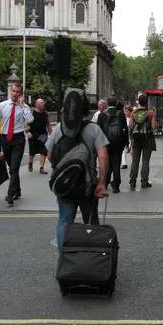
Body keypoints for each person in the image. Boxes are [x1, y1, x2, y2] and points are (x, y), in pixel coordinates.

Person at [45, 89, 109, 248]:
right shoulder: (94, 129)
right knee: (91, 222)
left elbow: (50, 156)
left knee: (64, 221)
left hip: (64, 186)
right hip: (87, 186)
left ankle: (65, 260)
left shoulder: (59, 129)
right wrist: (101, 182)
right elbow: (103, 157)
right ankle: (94, 258)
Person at [0, 83, 34, 206]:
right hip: (5, 139)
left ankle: (10, 195)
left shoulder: (24, 107)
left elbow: (30, 120)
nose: (15, 94)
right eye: (13, 91)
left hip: (18, 139)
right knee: (12, 168)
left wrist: (23, 106)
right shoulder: (2, 105)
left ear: (21, 94)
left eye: (17, 92)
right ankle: (18, 190)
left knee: (14, 168)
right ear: (10, 91)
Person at [97, 97, 129, 193]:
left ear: (107, 103)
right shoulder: (121, 114)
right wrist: (126, 143)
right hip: (118, 143)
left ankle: (105, 182)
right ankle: (116, 185)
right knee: (116, 162)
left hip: (106, 143)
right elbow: (125, 129)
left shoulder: (102, 115)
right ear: (115, 104)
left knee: (107, 164)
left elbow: (98, 130)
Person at [128, 94, 156, 190]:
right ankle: (144, 181)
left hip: (136, 140)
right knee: (145, 162)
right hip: (147, 139)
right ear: (146, 102)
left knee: (135, 162)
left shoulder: (133, 113)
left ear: (139, 102)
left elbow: (131, 126)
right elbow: (153, 127)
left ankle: (132, 182)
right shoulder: (150, 113)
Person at [26, 98, 52, 174]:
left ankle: (41, 167)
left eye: (43, 102)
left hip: (43, 135)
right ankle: (30, 162)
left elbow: (48, 125)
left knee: (43, 151)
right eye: (41, 103)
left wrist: (52, 135)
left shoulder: (45, 114)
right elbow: (26, 124)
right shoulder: (31, 112)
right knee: (32, 152)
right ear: (36, 104)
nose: (43, 104)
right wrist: (27, 132)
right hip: (33, 135)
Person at [121, 105, 133, 170]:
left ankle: (134, 161)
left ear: (130, 111)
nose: (125, 112)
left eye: (127, 111)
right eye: (124, 111)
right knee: (123, 150)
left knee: (131, 150)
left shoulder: (132, 118)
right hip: (124, 136)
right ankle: (124, 163)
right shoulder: (123, 118)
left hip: (130, 136)